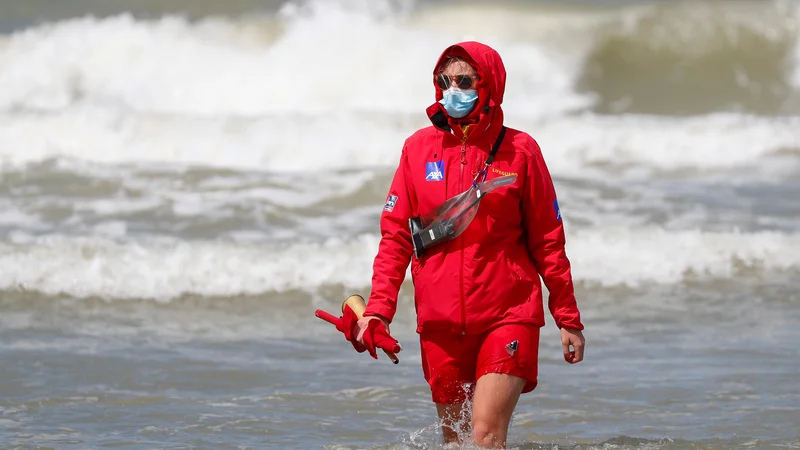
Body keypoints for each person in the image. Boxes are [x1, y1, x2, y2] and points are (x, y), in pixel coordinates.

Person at [355, 41, 585, 448]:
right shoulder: (417, 149)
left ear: (489, 85)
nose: (451, 90)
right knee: (455, 441)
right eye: (444, 81)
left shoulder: (521, 151)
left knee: (484, 434)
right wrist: (378, 311)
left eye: (464, 80)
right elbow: (395, 239)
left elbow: (549, 239)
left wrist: (567, 316)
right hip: (440, 323)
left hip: (508, 314)